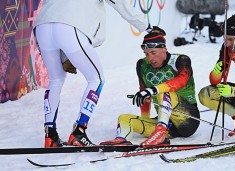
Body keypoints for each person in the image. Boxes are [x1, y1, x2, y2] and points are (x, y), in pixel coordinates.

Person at [33, 0, 160, 147]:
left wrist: (64, 56)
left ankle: (50, 136)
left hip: (42, 25)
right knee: (96, 79)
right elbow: (121, 4)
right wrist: (148, 28)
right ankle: (79, 132)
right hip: (70, 25)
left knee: (55, 80)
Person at [100, 31, 200, 148]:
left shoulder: (180, 60)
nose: (150, 58)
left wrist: (153, 89)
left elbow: (181, 80)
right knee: (124, 118)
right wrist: (144, 120)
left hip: (188, 120)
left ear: (164, 49)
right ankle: (121, 139)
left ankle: (160, 133)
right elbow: (145, 94)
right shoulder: (142, 65)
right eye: (146, 54)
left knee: (164, 92)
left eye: (153, 53)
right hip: (165, 123)